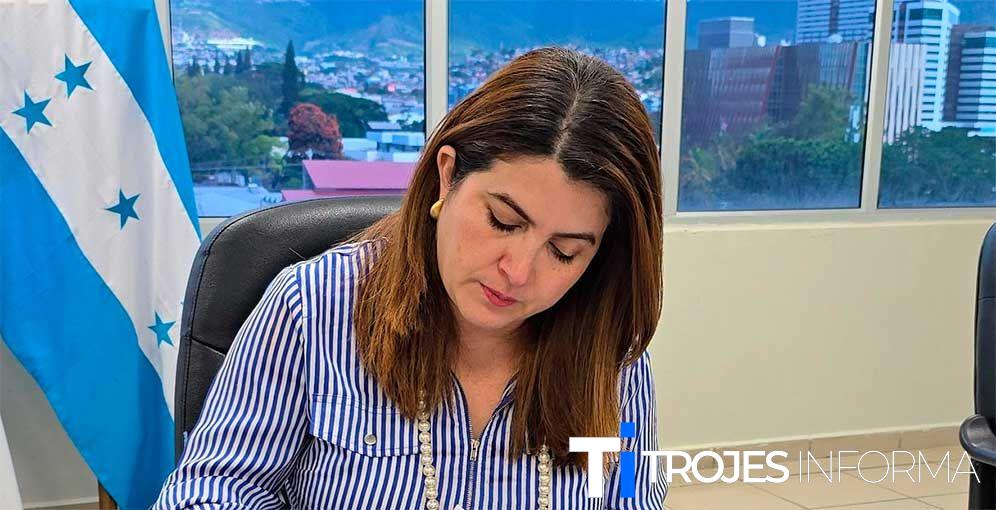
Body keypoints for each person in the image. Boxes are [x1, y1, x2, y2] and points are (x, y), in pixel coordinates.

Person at [153, 45, 667, 510]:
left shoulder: (614, 358)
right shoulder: (313, 309)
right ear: (448, 174)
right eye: (502, 221)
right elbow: (211, 492)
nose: (517, 272)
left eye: (564, 252)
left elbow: (631, 496)